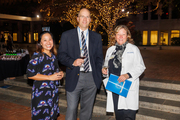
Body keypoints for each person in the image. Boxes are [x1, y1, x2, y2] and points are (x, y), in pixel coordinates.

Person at [58, 8, 103, 120]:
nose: (85, 19)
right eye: (82, 16)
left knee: (87, 110)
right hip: (74, 75)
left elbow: (99, 58)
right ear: (77, 19)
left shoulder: (96, 37)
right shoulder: (66, 35)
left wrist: (99, 73)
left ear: (90, 20)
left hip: (91, 77)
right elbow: (61, 56)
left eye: (87, 16)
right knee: (72, 108)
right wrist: (72, 62)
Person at [102, 25, 146, 120]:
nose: (121, 36)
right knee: (119, 116)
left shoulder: (133, 49)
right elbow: (106, 66)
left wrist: (127, 75)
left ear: (127, 36)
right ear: (115, 36)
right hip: (115, 88)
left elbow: (141, 66)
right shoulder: (110, 50)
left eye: (123, 34)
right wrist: (104, 71)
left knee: (128, 116)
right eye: (118, 34)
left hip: (127, 87)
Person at [26, 31, 64, 120]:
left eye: (50, 39)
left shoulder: (53, 56)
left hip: (53, 92)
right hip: (41, 94)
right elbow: (29, 74)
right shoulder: (37, 56)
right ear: (40, 43)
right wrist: (49, 77)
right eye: (45, 40)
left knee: (52, 116)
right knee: (42, 117)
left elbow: (54, 70)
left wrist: (60, 73)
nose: (48, 42)